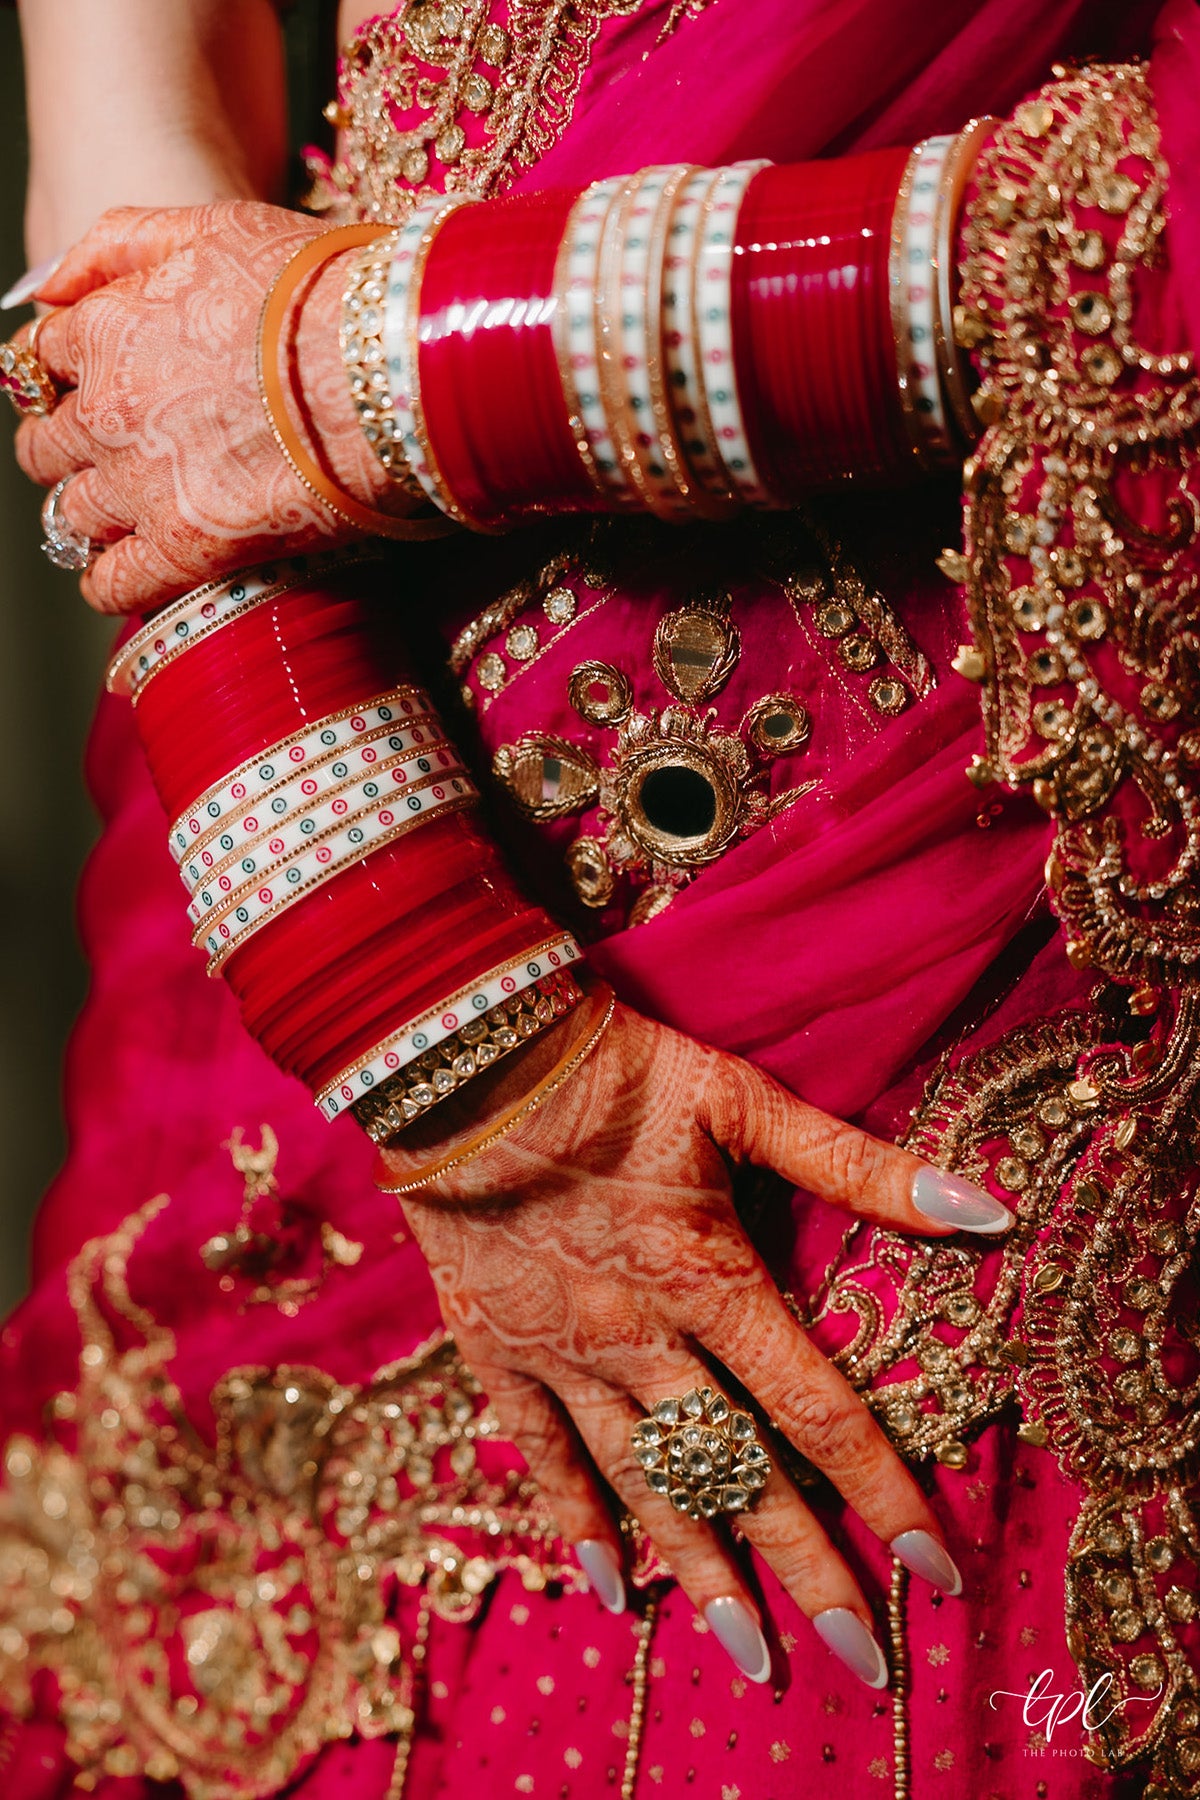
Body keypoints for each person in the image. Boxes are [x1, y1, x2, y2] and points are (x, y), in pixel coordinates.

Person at [0, 1, 1197, 1796]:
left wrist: (359, 366)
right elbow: (130, 197)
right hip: (312, 793)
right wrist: (397, 983)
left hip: (1028, 894)